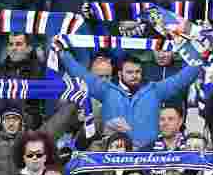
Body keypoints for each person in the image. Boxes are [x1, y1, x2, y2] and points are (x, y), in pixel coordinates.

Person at [53, 40, 198, 149]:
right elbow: (82, 74)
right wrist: (62, 53)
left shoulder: (155, 90)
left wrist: (200, 57)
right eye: (129, 72)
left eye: (138, 72)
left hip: (148, 155)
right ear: (120, 74)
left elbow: (181, 80)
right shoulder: (106, 90)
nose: (134, 76)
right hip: (114, 155)